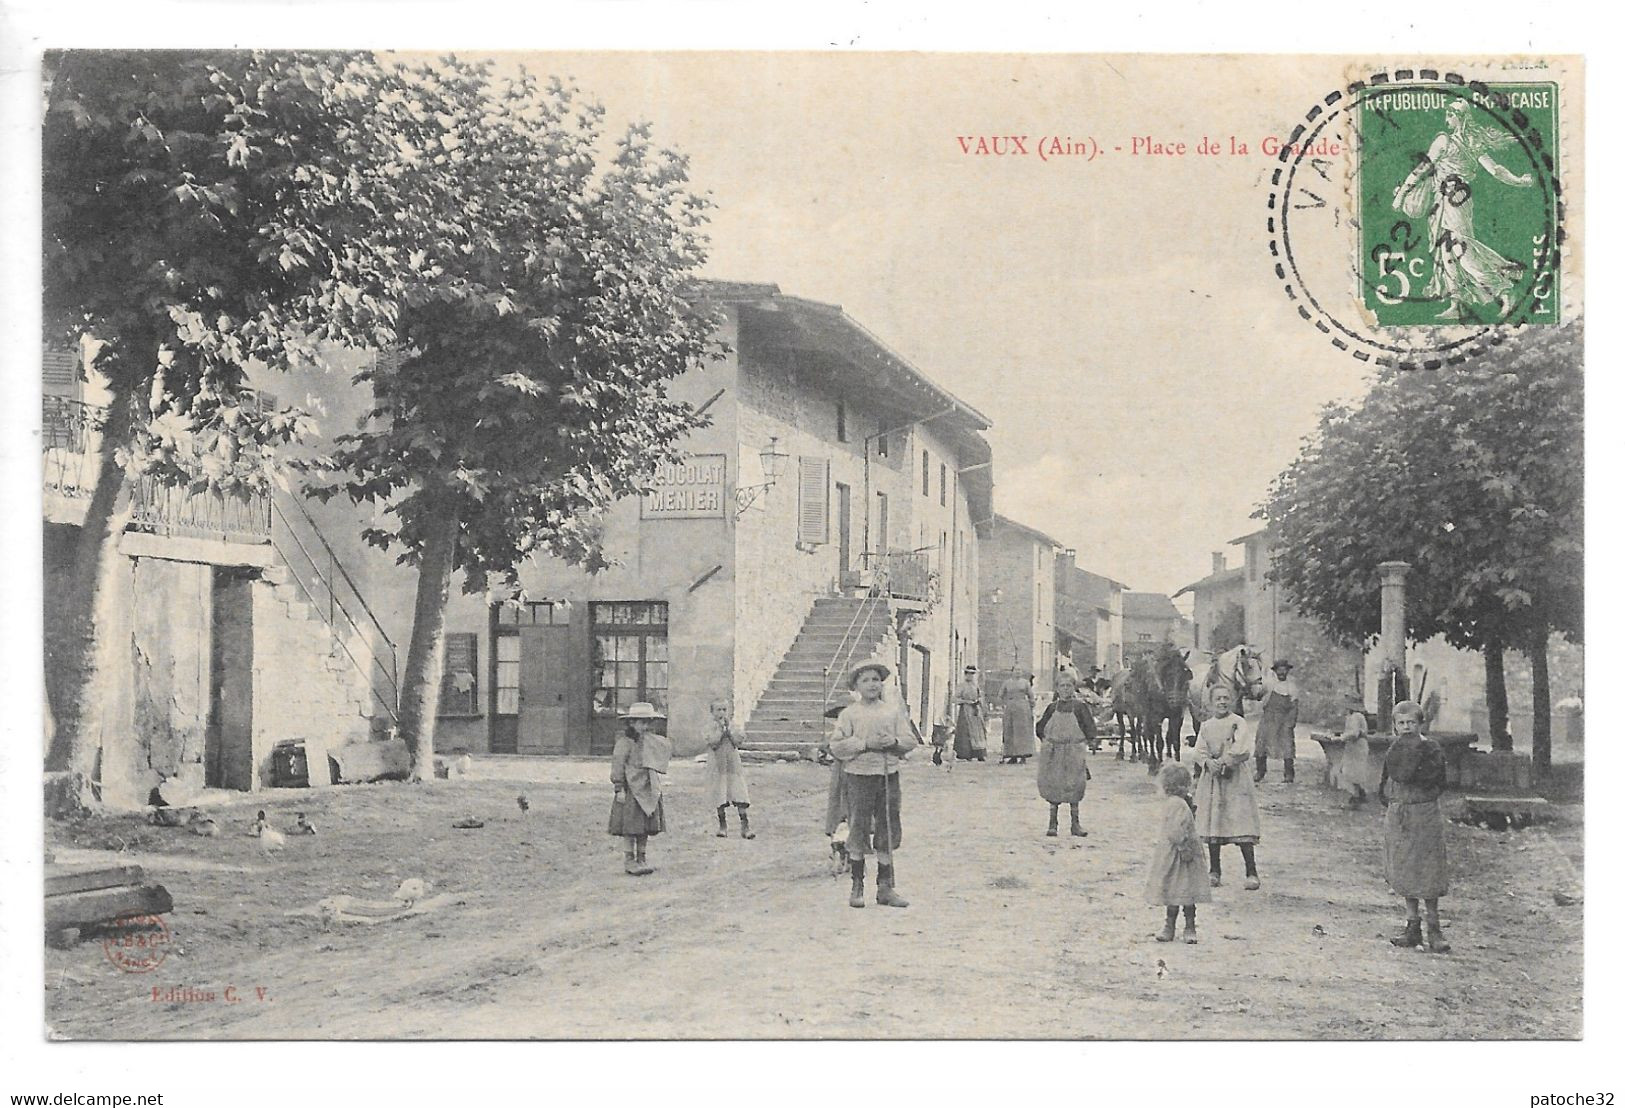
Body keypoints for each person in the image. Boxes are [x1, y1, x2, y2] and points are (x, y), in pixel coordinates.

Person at [1391, 97, 1537, 322]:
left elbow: (1424, 168)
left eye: (1450, 115)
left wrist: (1401, 194)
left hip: (1455, 199)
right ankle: (1456, 302)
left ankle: (1503, 288)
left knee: (1461, 246)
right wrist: (1518, 181)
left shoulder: (1448, 141)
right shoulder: (1468, 142)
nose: (1446, 119)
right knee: (1445, 250)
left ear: (1459, 118)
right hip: (1445, 200)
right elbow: (1495, 170)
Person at [828, 661, 913, 908]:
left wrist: (894, 741)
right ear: (856, 686)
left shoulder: (892, 711)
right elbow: (836, 746)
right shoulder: (849, 714)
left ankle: (885, 888)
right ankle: (857, 885)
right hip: (859, 776)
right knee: (858, 827)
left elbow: (909, 741)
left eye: (876, 679)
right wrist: (863, 745)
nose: (872, 684)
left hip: (888, 775)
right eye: (865, 680)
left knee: (887, 826)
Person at [1380, 700, 1451, 954]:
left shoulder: (1430, 749)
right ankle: (1412, 926)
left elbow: (1438, 780)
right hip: (1399, 814)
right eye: (1401, 723)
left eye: (1411, 722)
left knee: (1428, 868)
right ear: (1395, 726)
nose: (1406, 727)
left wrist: (1417, 786)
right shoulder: (1394, 749)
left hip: (1424, 814)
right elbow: (1386, 779)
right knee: (1404, 868)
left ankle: (1435, 928)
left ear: (1421, 723)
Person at [1191, 685, 1262, 889]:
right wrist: (1208, 763)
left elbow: (1243, 748)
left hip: (1235, 779)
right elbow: (1199, 750)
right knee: (1215, 821)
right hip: (1213, 780)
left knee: (1241, 822)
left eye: (1226, 698)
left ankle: (1251, 872)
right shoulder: (1206, 726)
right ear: (1211, 703)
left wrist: (1225, 761)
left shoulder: (1238, 722)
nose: (1222, 702)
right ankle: (1214, 871)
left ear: (1231, 701)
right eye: (1218, 699)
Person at [1146, 763, 1209, 943]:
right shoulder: (1177, 804)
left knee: (1185, 890)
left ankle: (1187, 927)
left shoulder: (1180, 803)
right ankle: (1172, 926)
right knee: (1177, 890)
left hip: (1180, 854)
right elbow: (1175, 831)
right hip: (1179, 853)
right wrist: (1183, 847)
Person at [608, 702, 671, 877]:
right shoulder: (624, 743)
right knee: (630, 826)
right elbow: (618, 765)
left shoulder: (650, 742)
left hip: (647, 787)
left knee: (644, 826)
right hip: (630, 790)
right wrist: (619, 788)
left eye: (647, 723)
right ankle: (629, 860)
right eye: (641, 723)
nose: (645, 727)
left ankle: (642, 858)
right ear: (631, 723)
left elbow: (660, 757)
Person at [1035, 669, 1095, 837]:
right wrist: (1048, 744)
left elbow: (1091, 729)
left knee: (1074, 786)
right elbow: (1039, 728)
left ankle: (1075, 825)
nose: (1066, 689)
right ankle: (1052, 824)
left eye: (1069, 686)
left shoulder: (1080, 707)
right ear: (1057, 688)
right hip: (1054, 752)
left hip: (1074, 752)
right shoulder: (1052, 708)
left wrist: (1083, 744)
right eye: (1062, 686)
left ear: (1074, 688)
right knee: (1054, 785)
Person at [703, 697, 754, 840]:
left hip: (733, 766)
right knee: (720, 794)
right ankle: (722, 825)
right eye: (718, 710)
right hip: (718, 767)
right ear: (712, 712)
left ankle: (745, 826)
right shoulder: (710, 727)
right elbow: (712, 742)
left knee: (739, 793)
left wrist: (729, 731)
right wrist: (720, 731)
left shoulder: (733, 725)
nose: (722, 713)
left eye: (724, 710)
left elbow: (739, 740)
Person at [1254, 659, 1301, 783]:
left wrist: (1290, 723)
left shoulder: (1292, 686)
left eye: (1283, 670)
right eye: (1279, 670)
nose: (1281, 672)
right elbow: (1258, 696)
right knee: (1261, 743)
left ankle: (1289, 774)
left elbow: (1294, 706)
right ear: (1275, 671)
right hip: (1268, 717)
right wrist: (1258, 690)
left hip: (1284, 719)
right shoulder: (1269, 684)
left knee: (1287, 745)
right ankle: (1260, 772)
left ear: (1287, 671)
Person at [1329, 698, 1372, 808]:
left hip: (1357, 746)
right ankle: (1359, 794)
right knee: (1351, 772)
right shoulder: (1352, 717)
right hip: (1353, 747)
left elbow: (1354, 733)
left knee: (1353, 772)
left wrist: (1341, 738)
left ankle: (1356, 796)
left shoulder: (1356, 717)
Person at [999, 672, 1037, 764]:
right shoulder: (1007, 683)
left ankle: (1023, 755)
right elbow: (1000, 695)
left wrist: (1031, 707)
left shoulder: (1025, 683)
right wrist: (1004, 704)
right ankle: (1012, 756)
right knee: (1010, 731)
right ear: (1012, 672)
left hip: (1023, 709)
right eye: (1016, 670)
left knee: (1022, 732)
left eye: (1020, 670)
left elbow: (1031, 696)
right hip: (1010, 708)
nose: (1018, 672)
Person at [953, 665, 988, 762]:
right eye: (968, 674)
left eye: (972, 674)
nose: (970, 676)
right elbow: (954, 699)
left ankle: (979, 754)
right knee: (966, 731)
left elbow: (981, 696)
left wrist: (980, 702)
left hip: (976, 711)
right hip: (966, 710)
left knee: (978, 732)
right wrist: (966, 701)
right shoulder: (961, 686)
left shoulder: (976, 686)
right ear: (965, 675)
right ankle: (966, 754)